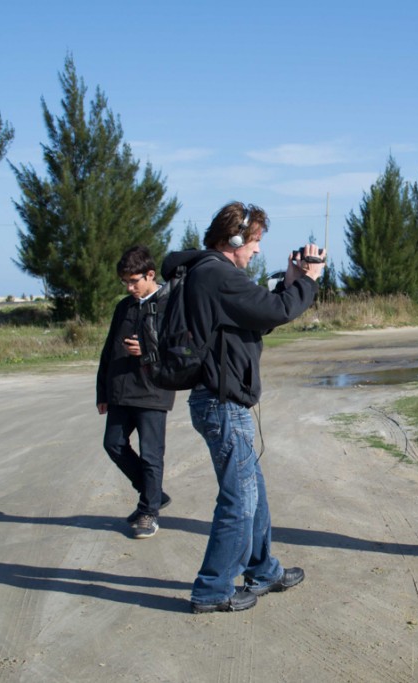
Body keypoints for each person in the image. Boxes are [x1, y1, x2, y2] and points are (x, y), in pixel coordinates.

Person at [162, 201, 324, 614]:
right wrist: (308, 281)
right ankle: (212, 589)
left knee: (254, 492)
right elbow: (277, 310)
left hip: (221, 401)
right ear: (234, 239)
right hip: (222, 404)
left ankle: (263, 570)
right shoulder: (217, 274)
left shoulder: (210, 273)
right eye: (254, 242)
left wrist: (291, 281)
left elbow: (259, 317)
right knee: (239, 499)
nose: (257, 250)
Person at [96, 245, 175, 540]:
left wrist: (147, 351)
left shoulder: (171, 304)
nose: (129, 288)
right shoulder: (124, 307)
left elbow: (182, 349)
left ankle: (149, 512)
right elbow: (108, 350)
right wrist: (102, 391)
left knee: (151, 454)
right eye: (125, 282)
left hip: (153, 390)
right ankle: (154, 495)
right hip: (120, 390)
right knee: (113, 444)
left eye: (134, 281)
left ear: (150, 274)